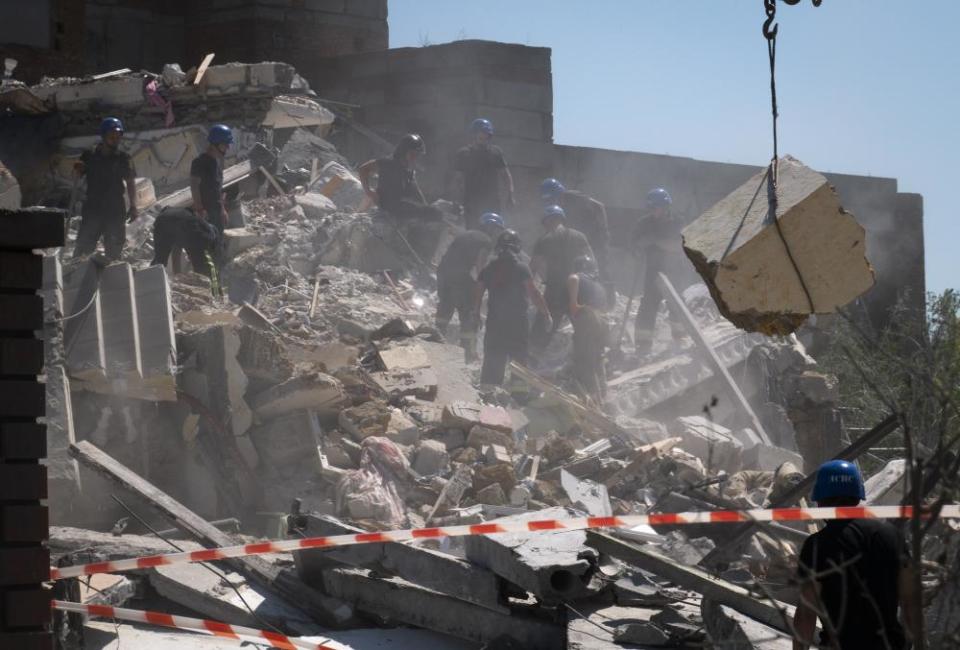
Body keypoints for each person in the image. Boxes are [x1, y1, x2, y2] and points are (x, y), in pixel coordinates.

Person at [792, 460, 919, 650]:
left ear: (821, 500)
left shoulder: (817, 545)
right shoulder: (893, 536)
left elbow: (806, 614)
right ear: (857, 495)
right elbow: (910, 602)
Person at [476, 229, 551, 386]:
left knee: (493, 357)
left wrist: (475, 314)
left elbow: (476, 295)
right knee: (519, 359)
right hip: (518, 323)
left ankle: (489, 391)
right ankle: (519, 396)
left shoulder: (488, 269)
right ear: (517, 248)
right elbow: (534, 293)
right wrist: (546, 314)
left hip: (495, 322)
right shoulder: (522, 268)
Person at [436, 212, 505, 362]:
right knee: (469, 312)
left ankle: (435, 339)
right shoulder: (486, 240)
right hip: (460, 276)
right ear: (492, 228)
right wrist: (482, 284)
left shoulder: (466, 234)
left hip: (443, 273)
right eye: (497, 230)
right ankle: (468, 352)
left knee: (445, 306)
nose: (497, 234)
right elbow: (480, 263)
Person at [530, 204, 595, 352]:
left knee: (544, 326)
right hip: (579, 289)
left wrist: (530, 287)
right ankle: (589, 359)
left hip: (555, 290)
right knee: (583, 327)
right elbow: (592, 261)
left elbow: (533, 266)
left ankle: (532, 358)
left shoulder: (544, 240)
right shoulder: (579, 236)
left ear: (548, 221)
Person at [73, 117, 138, 261]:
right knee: (83, 250)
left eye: (118, 136)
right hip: (93, 209)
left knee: (114, 252)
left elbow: (131, 183)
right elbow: (76, 177)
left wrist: (133, 206)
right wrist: (77, 169)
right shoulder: (89, 156)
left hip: (115, 211)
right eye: (112, 136)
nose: (115, 139)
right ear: (103, 136)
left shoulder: (123, 158)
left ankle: (112, 281)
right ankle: (75, 278)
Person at [541, 178, 613, 306]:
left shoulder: (575, 197)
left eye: (553, 198)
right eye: (549, 200)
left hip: (596, 237)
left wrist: (603, 230)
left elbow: (599, 206)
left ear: (560, 193)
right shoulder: (556, 208)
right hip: (579, 238)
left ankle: (607, 303)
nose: (552, 202)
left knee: (600, 265)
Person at [631, 187, 685, 359]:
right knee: (648, 306)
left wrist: (654, 241)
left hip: (674, 271)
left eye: (657, 207)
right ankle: (643, 344)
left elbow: (678, 246)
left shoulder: (677, 222)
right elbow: (634, 244)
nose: (654, 211)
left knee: (676, 306)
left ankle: (680, 339)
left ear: (666, 206)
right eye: (651, 208)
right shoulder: (644, 223)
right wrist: (638, 248)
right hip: (653, 272)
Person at [358, 134, 443, 222]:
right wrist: (369, 192)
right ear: (403, 151)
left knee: (431, 212)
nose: (415, 158)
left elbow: (415, 190)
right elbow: (363, 169)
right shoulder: (388, 163)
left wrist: (426, 207)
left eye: (417, 155)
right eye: (413, 154)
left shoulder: (408, 169)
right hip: (386, 205)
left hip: (399, 205)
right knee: (422, 212)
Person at [454, 118, 515, 229]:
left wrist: (510, 195)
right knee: (473, 232)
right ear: (474, 134)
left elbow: (506, 175)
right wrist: (458, 201)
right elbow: (458, 180)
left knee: (494, 231)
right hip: (472, 202)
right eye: (480, 133)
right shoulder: (464, 154)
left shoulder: (495, 152)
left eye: (486, 134)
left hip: (492, 202)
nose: (483, 137)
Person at [150, 207, 222, 295]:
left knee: (159, 261)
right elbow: (194, 250)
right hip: (192, 229)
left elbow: (176, 251)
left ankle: (151, 288)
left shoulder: (176, 214)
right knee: (204, 269)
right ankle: (214, 293)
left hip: (161, 223)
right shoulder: (204, 231)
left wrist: (177, 278)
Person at [567, 255, 608, 402]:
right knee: (597, 359)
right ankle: (603, 394)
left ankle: (592, 400)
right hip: (604, 322)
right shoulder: (600, 286)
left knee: (585, 360)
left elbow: (573, 279)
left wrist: (574, 305)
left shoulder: (576, 277)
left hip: (588, 318)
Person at [191, 124, 233, 233]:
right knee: (207, 246)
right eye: (225, 144)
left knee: (218, 244)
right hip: (205, 213)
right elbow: (194, 186)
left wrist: (222, 210)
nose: (228, 147)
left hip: (216, 212)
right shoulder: (199, 163)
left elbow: (217, 189)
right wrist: (200, 210)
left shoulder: (216, 163)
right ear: (215, 144)